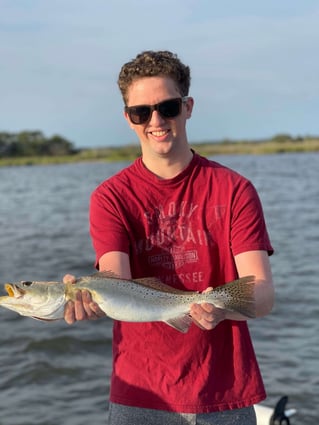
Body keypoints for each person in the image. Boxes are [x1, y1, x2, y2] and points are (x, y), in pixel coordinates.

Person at [64, 50, 275, 425]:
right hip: (141, 393)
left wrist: (220, 307)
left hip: (224, 392)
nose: (156, 121)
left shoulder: (234, 189)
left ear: (188, 106)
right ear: (128, 119)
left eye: (168, 107)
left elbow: (260, 296)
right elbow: (117, 280)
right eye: (141, 112)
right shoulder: (111, 197)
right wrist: (80, 296)